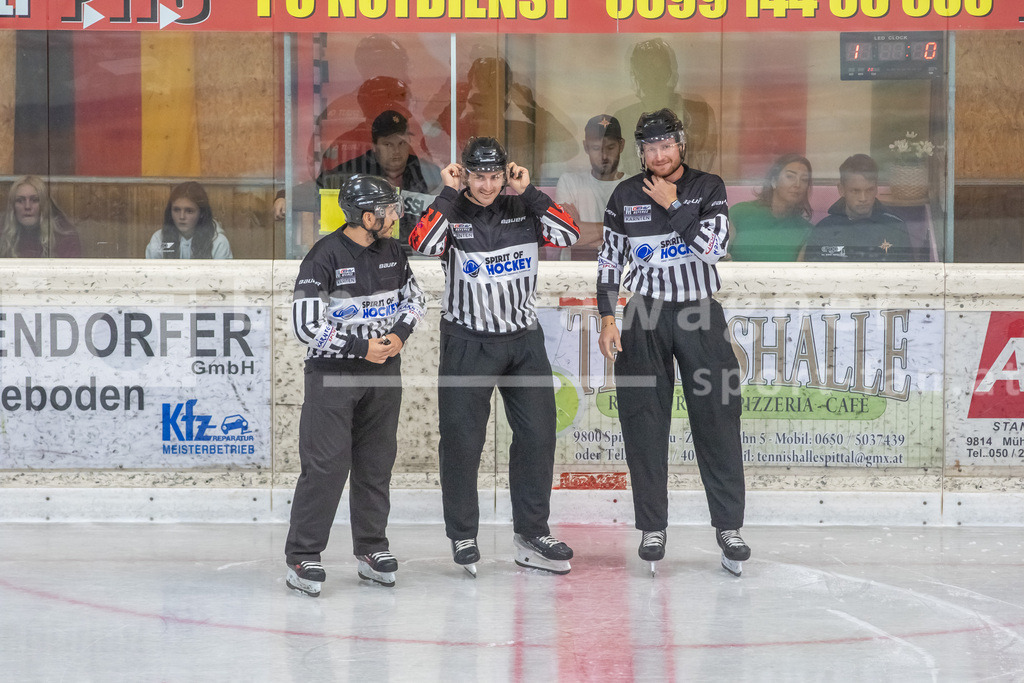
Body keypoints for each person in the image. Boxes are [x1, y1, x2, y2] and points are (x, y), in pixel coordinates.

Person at [409, 137, 580, 576]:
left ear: (507, 173)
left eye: (494, 176)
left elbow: (569, 234)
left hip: (523, 343)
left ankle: (532, 532)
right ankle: (463, 535)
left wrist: (529, 192)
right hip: (468, 342)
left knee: (539, 436)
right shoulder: (452, 212)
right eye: (478, 176)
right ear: (464, 173)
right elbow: (422, 244)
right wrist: (448, 193)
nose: (486, 186)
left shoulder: (523, 207)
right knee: (463, 442)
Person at [596, 109, 750, 577]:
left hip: (700, 312)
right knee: (643, 421)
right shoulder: (623, 195)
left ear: (681, 145)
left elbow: (713, 247)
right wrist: (607, 316)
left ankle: (728, 527)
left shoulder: (708, 187)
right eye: (650, 148)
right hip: (643, 315)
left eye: (666, 146)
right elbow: (609, 261)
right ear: (640, 151)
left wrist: (674, 202)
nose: (659, 155)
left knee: (718, 419)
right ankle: (652, 527)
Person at [284, 174, 426, 597]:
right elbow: (305, 326)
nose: (395, 215)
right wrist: (362, 347)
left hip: (383, 372)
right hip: (333, 375)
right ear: (367, 216)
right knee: (326, 466)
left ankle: (370, 547)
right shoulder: (322, 257)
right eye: (388, 209)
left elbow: (415, 300)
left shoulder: (393, 252)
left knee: (376, 462)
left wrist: (398, 336)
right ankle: (302, 554)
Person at [320, 110, 442, 250]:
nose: (396, 150)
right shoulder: (353, 171)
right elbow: (321, 186)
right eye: (388, 144)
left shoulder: (429, 172)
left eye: (401, 143)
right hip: (365, 249)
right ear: (374, 147)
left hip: (417, 248)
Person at [610, 38, 719, 175]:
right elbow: (619, 167)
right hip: (639, 191)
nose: (652, 76)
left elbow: (706, 159)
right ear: (636, 73)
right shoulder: (622, 117)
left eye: (658, 68)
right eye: (644, 68)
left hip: (689, 191)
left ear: (669, 71)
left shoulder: (699, 112)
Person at [803, 154, 914, 262]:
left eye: (869, 190)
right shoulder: (823, 230)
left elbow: (907, 277)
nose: (863, 198)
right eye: (855, 191)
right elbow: (814, 277)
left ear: (876, 188)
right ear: (841, 189)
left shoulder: (895, 227)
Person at [555, 114, 626, 260]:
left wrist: (582, 229)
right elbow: (566, 236)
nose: (604, 155)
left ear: (622, 146)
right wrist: (621, 227)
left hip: (621, 273)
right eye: (596, 148)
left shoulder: (634, 186)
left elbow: (638, 240)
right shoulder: (570, 182)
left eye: (610, 147)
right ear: (585, 147)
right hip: (573, 274)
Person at [729, 154, 814, 262]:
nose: (797, 184)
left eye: (804, 180)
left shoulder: (806, 230)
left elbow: (799, 275)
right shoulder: (739, 213)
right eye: (790, 176)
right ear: (773, 181)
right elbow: (718, 256)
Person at [145, 182, 232, 259]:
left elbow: (222, 276)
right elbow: (151, 273)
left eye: (189, 211)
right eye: (176, 210)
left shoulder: (218, 242)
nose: (182, 217)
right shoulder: (159, 239)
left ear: (201, 213)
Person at [0, 175, 81, 258]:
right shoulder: (2, 234)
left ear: (44, 205)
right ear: (13, 207)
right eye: (20, 200)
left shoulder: (64, 237)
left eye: (35, 200)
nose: (27, 206)